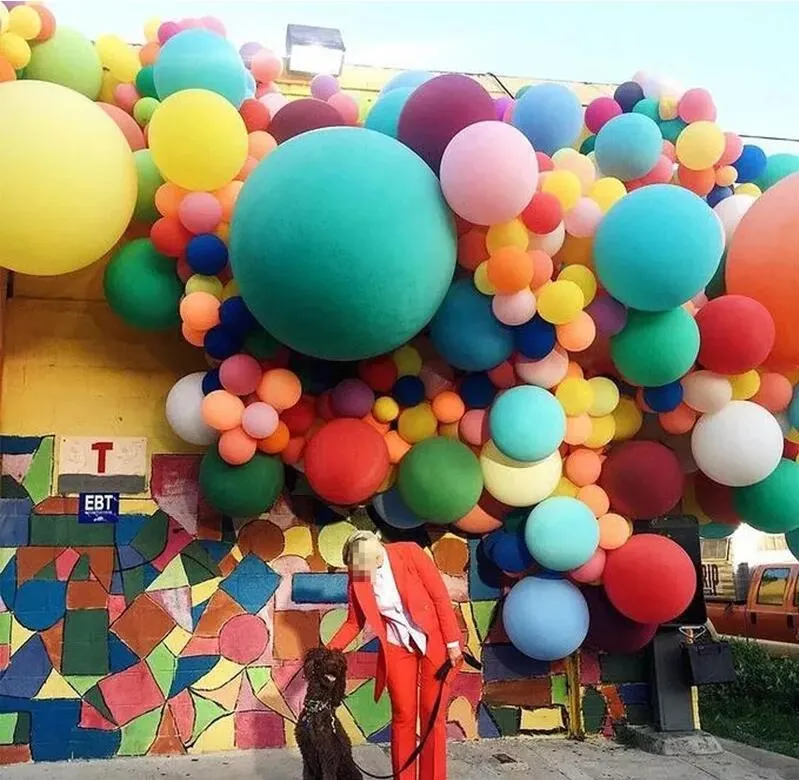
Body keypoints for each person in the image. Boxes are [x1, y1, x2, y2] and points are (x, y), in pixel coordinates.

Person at [327, 530, 463, 780]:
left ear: (377, 554)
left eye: (365, 567)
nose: (362, 576)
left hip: (434, 641)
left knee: (432, 716)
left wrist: (453, 644)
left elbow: (440, 597)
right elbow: (352, 623)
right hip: (397, 646)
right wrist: (326, 654)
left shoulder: (410, 553)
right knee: (403, 715)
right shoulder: (357, 572)